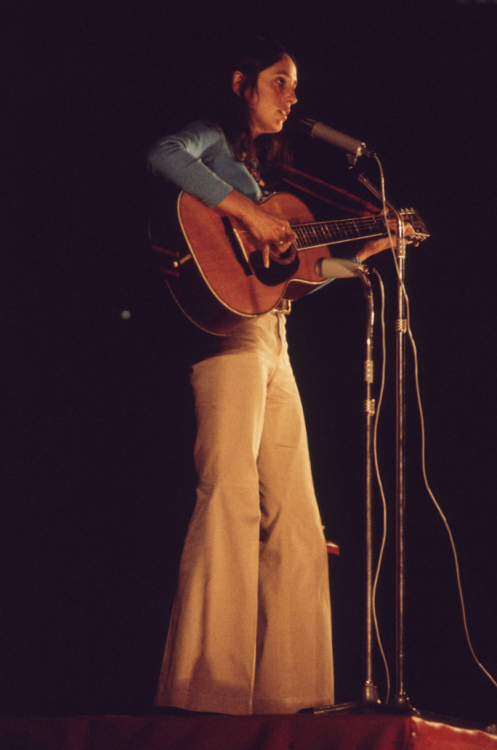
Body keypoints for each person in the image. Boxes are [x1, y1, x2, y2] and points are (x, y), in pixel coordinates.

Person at [147, 37, 394, 716]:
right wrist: (247, 211)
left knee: (295, 511)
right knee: (227, 494)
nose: (291, 95)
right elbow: (164, 154)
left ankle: (293, 698)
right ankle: (206, 697)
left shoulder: (268, 172)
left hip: (270, 335)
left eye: (294, 85)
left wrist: (366, 245)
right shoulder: (215, 143)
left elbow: (276, 286)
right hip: (224, 342)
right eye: (279, 81)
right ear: (240, 83)